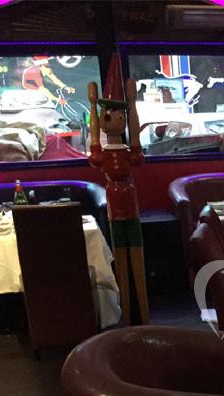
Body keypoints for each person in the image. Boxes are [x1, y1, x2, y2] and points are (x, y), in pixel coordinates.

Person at [87, 79, 149, 326]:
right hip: (115, 207)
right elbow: (94, 145)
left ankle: (143, 314)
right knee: (120, 261)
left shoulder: (129, 152)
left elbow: (136, 141)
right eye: (107, 114)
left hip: (130, 206)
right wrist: (92, 105)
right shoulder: (103, 154)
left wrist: (133, 102)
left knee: (137, 260)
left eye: (119, 114)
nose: (112, 119)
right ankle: (126, 317)